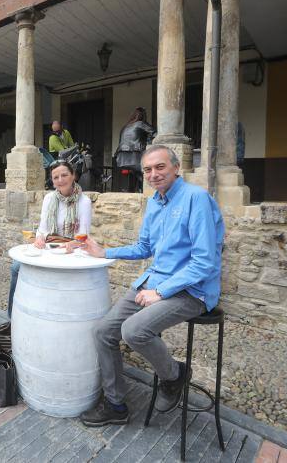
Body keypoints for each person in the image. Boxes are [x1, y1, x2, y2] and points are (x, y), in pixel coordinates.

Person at [79, 144, 224, 427]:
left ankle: (174, 375)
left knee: (133, 330)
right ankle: (115, 404)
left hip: (192, 290)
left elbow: (204, 262)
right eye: (147, 169)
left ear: (175, 168)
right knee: (102, 331)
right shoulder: (156, 202)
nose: (153, 174)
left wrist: (160, 292)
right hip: (154, 282)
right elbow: (144, 247)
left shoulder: (197, 199)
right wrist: (104, 252)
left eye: (160, 167)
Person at [7, 160, 92, 317]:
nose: (60, 180)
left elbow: (83, 236)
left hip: (72, 248)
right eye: (55, 177)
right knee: (16, 266)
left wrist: (71, 245)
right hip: (49, 244)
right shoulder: (49, 199)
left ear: (73, 176)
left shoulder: (84, 202)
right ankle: (13, 316)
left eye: (64, 175)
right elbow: (43, 228)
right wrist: (39, 238)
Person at [114, 107, 155, 192]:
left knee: (136, 173)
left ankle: (132, 190)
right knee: (145, 171)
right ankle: (143, 190)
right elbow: (154, 133)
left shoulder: (125, 126)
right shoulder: (140, 124)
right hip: (134, 155)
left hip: (121, 158)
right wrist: (149, 141)